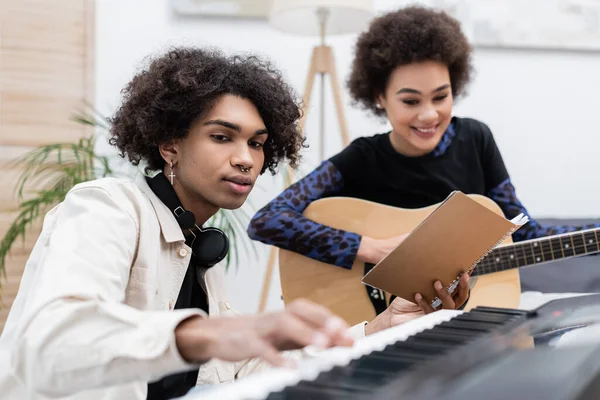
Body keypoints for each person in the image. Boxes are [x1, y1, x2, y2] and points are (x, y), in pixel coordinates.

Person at [248, 6, 599, 314]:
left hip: (457, 319)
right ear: (379, 97)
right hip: (377, 322)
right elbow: (267, 220)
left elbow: (524, 232)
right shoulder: (362, 158)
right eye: (411, 101)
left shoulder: (476, 140)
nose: (429, 115)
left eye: (440, 96)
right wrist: (373, 248)